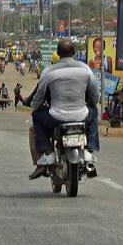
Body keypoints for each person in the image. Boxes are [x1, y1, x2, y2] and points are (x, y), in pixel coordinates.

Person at [28, 38, 101, 180]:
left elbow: (38, 98)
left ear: (58, 54)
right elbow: (95, 95)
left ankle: (47, 151)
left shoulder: (48, 72)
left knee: (36, 116)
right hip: (81, 115)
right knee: (94, 112)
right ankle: (89, 149)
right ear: (74, 53)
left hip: (56, 117)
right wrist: (91, 103)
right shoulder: (85, 69)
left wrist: (34, 107)